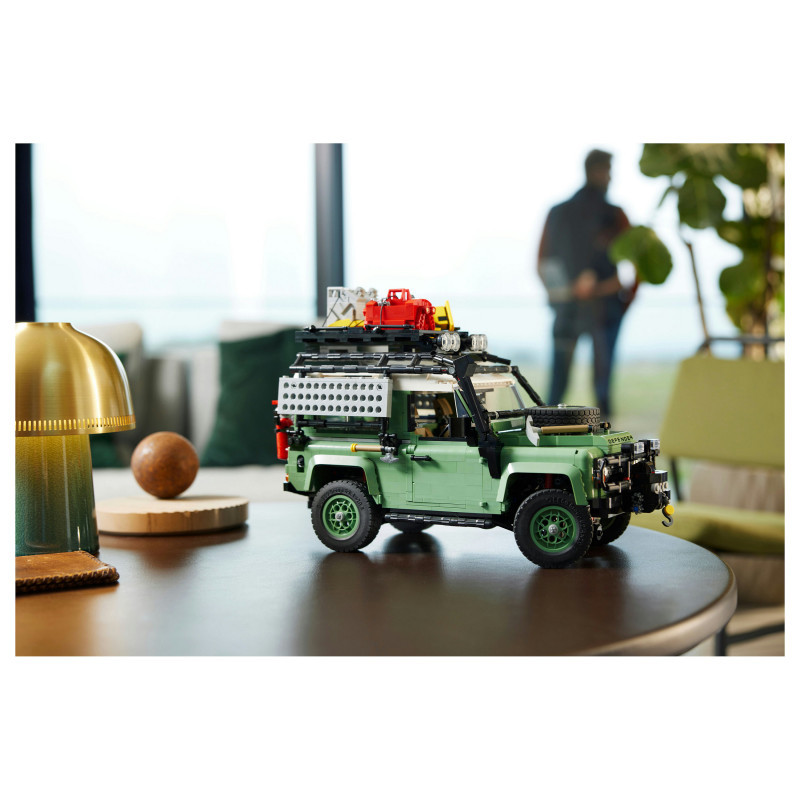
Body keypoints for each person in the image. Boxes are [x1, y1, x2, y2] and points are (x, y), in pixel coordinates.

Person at [537, 149, 638, 417]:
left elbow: (543, 265)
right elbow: (634, 269)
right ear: (598, 171)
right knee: (600, 390)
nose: (611, 178)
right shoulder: (615, 214)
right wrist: (616, 296)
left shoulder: (557, 213)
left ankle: (544, 434)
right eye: (608, 171)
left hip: (571, 308)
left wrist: (565, 294)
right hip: (601, 310)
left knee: (557, 389)